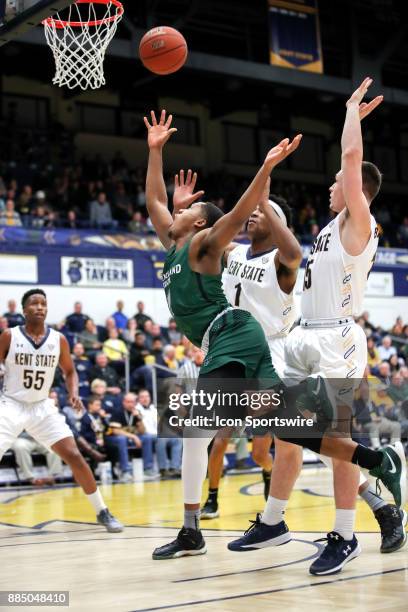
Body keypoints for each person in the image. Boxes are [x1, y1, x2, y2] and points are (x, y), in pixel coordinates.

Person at [143, 108, 405, 561]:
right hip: (250, 348)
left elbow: (286, 241)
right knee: (285, 434)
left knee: (305, 435)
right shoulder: (227, 252)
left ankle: (356, 517)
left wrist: (264, 188)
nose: (251, 221)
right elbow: (171, 223)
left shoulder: (284, 258)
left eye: (263, 215)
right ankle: (273, 519)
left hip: (276, 345)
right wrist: (179, 199)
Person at [228, 79, 406, 570]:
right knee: (291, 431)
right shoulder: (331, 228)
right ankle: (273, 521)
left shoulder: (359, 223)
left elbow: (352, 163)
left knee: (338, 441)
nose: (329, 187)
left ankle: (345, 535)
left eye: (336, 183)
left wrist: (351, 112)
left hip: (338, 338)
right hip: (307, 335)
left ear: (357, 193)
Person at [198, 174, 300, 517]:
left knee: (261, 451)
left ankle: (270, 477)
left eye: (264, 212)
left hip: (270, 352)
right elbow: (208, 237)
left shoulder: (281, 263)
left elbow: (293, 252)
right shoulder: (234, 252)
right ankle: (211, 497)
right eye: (254, 212)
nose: (254, 214)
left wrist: (267, 205)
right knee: (217, 435)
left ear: (277, 224)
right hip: (232, 348)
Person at [0, 288, 123, 532]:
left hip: (42, 406)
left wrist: (73, 392)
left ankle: (102, 511)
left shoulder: (59, 339)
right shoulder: (9, 336)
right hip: (12, 404)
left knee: (74, 455)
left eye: (43, 304)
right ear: (24, 310)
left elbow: (69, 371)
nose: (39, 307)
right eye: (34, 304)